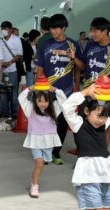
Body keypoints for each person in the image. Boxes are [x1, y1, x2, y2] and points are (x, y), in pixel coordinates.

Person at [35, 13, 82, 165]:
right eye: (51, 28)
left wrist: (76, 84)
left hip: (66, 92)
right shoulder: (46, 45)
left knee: (62, 123)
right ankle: (45, 152)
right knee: (46, 121)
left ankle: (55, 152)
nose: (53, 31)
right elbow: (39, 68)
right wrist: (39, 88)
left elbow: (81, 67)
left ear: (64, 28)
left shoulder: (73, 45)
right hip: (47, 90)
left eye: (56, 28)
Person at [79, 17, 110, 146]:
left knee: (104, 125)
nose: (92, 34)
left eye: (95, 31)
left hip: (105, 95)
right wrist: (73, 58)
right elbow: (83, 66)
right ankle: (86, 154)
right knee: (85, 123)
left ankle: (102, 153)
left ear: (105, 31)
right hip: (88, 92)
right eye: (91, 30)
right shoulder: (90, 46)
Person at [18, 82, 65, 198]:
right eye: (39, 101)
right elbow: (21, 98)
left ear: (49, 100)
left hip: (49, 142)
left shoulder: (54, 108)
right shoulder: (30, 108)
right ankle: (34, 186)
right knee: (39, 163)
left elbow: (64, 100)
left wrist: (55, 90)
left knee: (43, 163)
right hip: (35, 141)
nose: (43, 104)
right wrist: (30, 88)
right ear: (35, 100)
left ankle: (35, 182)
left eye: (45, 101)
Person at [0, 20, 23, 121]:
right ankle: (4, 112)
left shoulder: (16, 40)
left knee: (13, 92)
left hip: (13, 69)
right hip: (2, 70)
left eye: (6, 28)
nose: (4, 30)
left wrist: (9, 62)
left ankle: (14, 113)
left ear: (10, 29)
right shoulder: (0, 41)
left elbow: (19, 55)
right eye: (2, 29)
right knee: (3, 92)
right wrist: (1, 63)